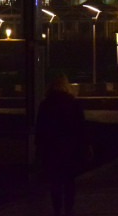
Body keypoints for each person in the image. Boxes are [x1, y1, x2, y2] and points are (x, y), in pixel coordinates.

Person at [35, 73, 91, 216]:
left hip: (52, 148)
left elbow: (40, 128)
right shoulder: (74, 103)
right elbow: (81, 127)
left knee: (55, 181)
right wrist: (85, 146)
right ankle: (69, 208)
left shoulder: (45, 104)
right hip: (70, 148)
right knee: (69, 181)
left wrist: (39, 149)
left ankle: (57, 209)